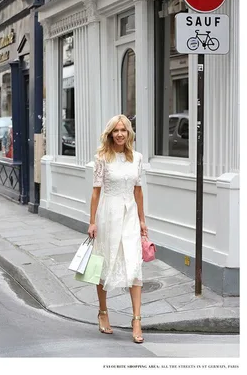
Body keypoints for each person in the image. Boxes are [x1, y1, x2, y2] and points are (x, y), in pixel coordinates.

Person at [88, 114, 148, 344]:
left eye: (124, 130)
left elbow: (138, 191)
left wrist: (142, 221)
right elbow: (96, 192)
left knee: (134, 264)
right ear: (110, 133)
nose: (120, 134)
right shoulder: (102, 157)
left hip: (130, 215)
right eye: (116, 130)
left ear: (129, 132)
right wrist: (92, 221)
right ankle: (103, 312)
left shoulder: (137, 158)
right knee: (104, 262)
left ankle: (136, 319)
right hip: (108, 214)